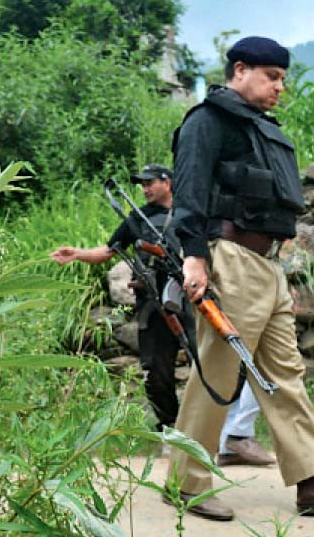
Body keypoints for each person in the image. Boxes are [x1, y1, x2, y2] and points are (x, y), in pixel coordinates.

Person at [166, 36, 314, 521]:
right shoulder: (207, 122)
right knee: (218, 372)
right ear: (240, 70)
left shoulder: (261, 129)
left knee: (285, 373)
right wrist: (194, 259)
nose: (279, 86)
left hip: (267, 265)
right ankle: (186, 481)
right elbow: (190, 194)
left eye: (283, 78)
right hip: (229, 258)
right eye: (272, 76)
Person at [50, 164, 272, 462]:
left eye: (150, 182)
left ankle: (228, 435)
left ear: (168, 182)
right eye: (142, 184)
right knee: (156, 371)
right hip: (153, 302)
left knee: (214, 363)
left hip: (193, 296)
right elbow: (107, 251)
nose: (145, 188)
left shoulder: (192, 212)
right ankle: (173, 431)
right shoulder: (137, 218)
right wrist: (76, 254)